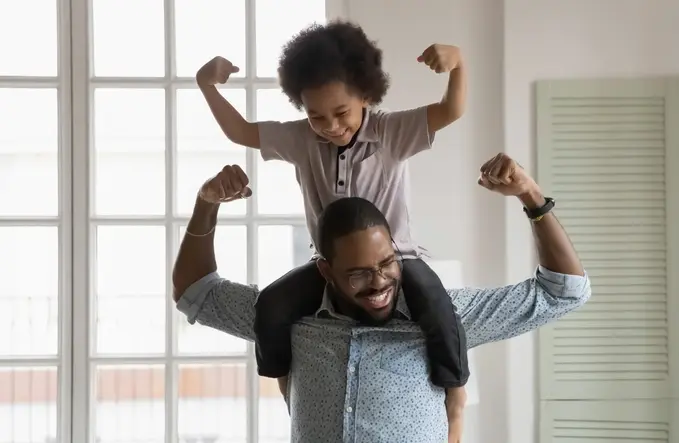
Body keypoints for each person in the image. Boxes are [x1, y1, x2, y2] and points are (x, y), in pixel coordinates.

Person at [172, 153, 591, 443]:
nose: (378, 283)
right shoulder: (291, 318)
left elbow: (564, 292)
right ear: (325, 271)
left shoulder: (446, 315)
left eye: (387, 263)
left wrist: (531, 197)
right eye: (357, 274)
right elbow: (194, 291)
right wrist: (206, 204)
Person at [195, 20, 470, 434]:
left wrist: (458, 64)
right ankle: (291, 389)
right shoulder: (302, 140)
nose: (331, 126)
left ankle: (456, 400)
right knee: (271, 306)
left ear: (365, 94)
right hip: (331, 266)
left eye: (341, 112)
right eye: (316, 115)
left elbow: (452, 109)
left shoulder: (391, 132)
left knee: (438, 310)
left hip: (397, 260)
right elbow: (240, 131)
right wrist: (207, 86)